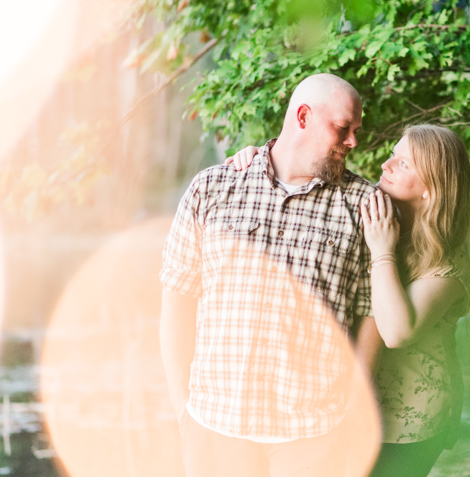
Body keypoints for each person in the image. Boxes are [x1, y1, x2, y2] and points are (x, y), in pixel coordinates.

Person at [159, 73, 383, 477]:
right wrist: (184, 413)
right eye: (342, 127)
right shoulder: (212, 189)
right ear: (302, 117)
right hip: (214, 428)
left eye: (355, 130)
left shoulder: (363, 205)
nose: (352, 141)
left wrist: (354, 412)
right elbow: (177, 303)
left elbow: (371, 315)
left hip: (315, 435)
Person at [229, 124, 470, 477]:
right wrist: (260, 160)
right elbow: (315, 179)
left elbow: (395, 332)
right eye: (393, 154)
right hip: (349, 406)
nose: (386, 165)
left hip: (408, 424)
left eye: (403, 164)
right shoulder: (377, 209)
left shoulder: (447, 261)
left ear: (431, 188)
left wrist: (382, 251)